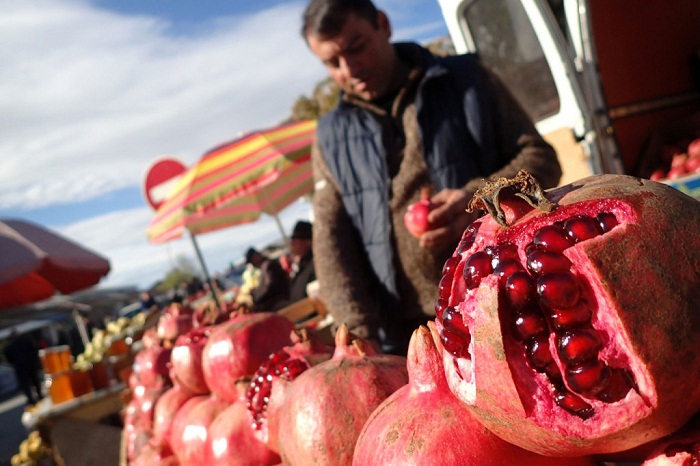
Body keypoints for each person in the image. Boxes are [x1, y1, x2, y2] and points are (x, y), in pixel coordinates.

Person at [302, 0, 562, 355]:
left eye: (357, 47)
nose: (349, 68)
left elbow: (540, 159)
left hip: (500, 303)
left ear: (383, 24)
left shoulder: (466, 81)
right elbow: (331, 241)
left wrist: (477, 199)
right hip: (407, 335)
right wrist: (360, 334)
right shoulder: (329, 137)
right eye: (332, 63)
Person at [3, 330, 43, 405]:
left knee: (28, 384)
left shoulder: (12, 346)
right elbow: (35, 349)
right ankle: (38, 396)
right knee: (34, 382)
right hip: (29, 366)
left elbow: (8, 356)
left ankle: (33, 399)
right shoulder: (26, 341)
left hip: (22, 368)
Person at [245, 247, 291, 311]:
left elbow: (270, 286)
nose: (253, 264)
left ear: (256, 257)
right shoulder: (265, 266)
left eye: (252, 261)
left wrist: (257, 299)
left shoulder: (268, 265)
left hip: (280, 301)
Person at [288, 220, 317, 303]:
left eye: (295, 239)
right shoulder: (302, 265)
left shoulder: (314, 265)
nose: (291, 242)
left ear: (308, 241)